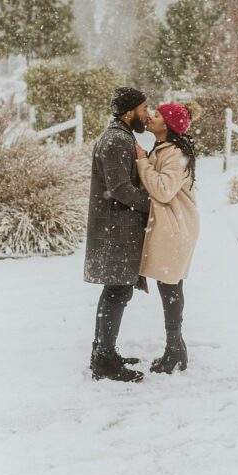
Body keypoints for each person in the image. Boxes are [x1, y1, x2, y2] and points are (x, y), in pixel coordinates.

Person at [84, 87, 152, 382]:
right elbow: (120, 188)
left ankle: (104, 352)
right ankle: (104, 361)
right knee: (117, 291)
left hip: (117, 227)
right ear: (129, 111)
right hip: (116, 229)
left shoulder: (120, 137)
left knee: (116, 290)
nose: (147, 115)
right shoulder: (115, 140)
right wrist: (153, 205)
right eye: (144, 109)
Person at [134, 102, 201, 374]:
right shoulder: (166, 149)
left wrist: (141, 161)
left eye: (158, 114)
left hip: (177, 227)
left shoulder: (174, 153)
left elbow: (162, 190)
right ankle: (176, 348)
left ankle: (175, 350)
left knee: (170, 286)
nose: (152, 117)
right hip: (173, 226)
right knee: (169, 286)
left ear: (168, 126)